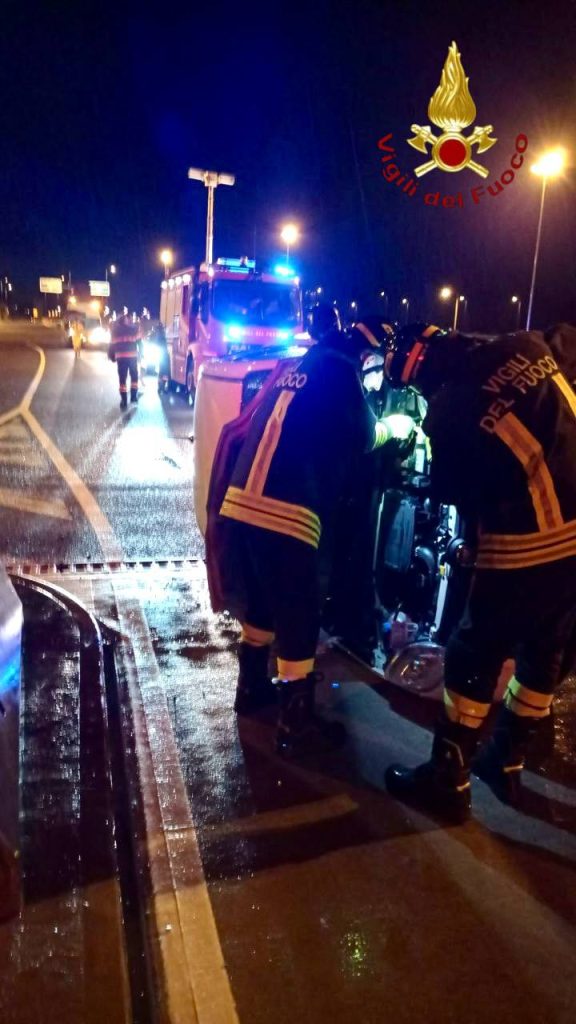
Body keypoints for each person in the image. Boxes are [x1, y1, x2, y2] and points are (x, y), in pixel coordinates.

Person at [383, 322, 576, 822]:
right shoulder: (527, 344)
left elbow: (456, 493)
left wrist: (468, 546)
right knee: (546, 647)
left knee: (474, 650)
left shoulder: (450, 409)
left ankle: (447, 779)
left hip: (534, 540)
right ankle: (505, 759)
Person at [210, 303, 415, 755]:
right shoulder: (341, 372)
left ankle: (251, 688)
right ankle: (295, 721)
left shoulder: (303, 364)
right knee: (300, 611)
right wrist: (395, 426)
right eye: (375, 367)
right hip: (288, 509)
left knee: (263, 601)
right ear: (367, 355)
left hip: (243, 502)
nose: (373, 376)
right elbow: (364, 435)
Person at [108, 308, 142, 409]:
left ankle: (123, 400)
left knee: (122, 379)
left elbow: (112, 345)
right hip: (132, 357)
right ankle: (133, 397)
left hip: (121, 357)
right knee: (134, 377)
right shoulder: (134, 329)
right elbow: (140, 343)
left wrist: (112, 356)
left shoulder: (115, 331)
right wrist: (141, 354)